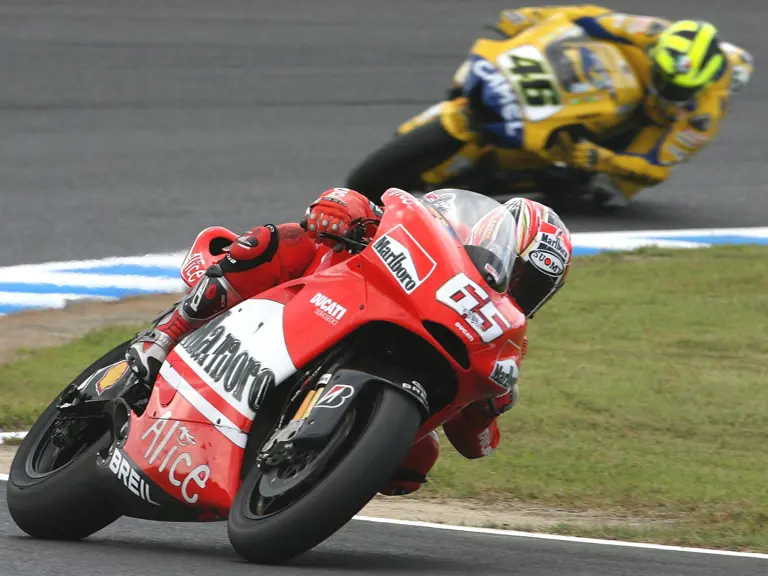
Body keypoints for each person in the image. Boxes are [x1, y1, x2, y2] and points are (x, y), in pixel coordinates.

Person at [126, 187, 573, 495]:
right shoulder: (444, 232)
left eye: (532, 288)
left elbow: (477, 445)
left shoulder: (501, 335)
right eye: (519, 274)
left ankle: (306, 474)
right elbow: (361, 207)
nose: (517, 289)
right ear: (494, 240)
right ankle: (165, 335)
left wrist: (491, 404)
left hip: (403, 351)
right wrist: (346, 209)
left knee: (413, 464)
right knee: (281, 240)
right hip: (315, 297)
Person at [452, 6, 754, 208]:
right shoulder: (651, 31)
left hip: (655, 124)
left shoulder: (703, 116)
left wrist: (606, 160)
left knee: (613, 190)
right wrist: (530, 17)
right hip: (621, 80)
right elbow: (586, 17)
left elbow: (657, 168)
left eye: (678, 87)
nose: (668, 88)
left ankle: (546, 183)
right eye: (665, 77)